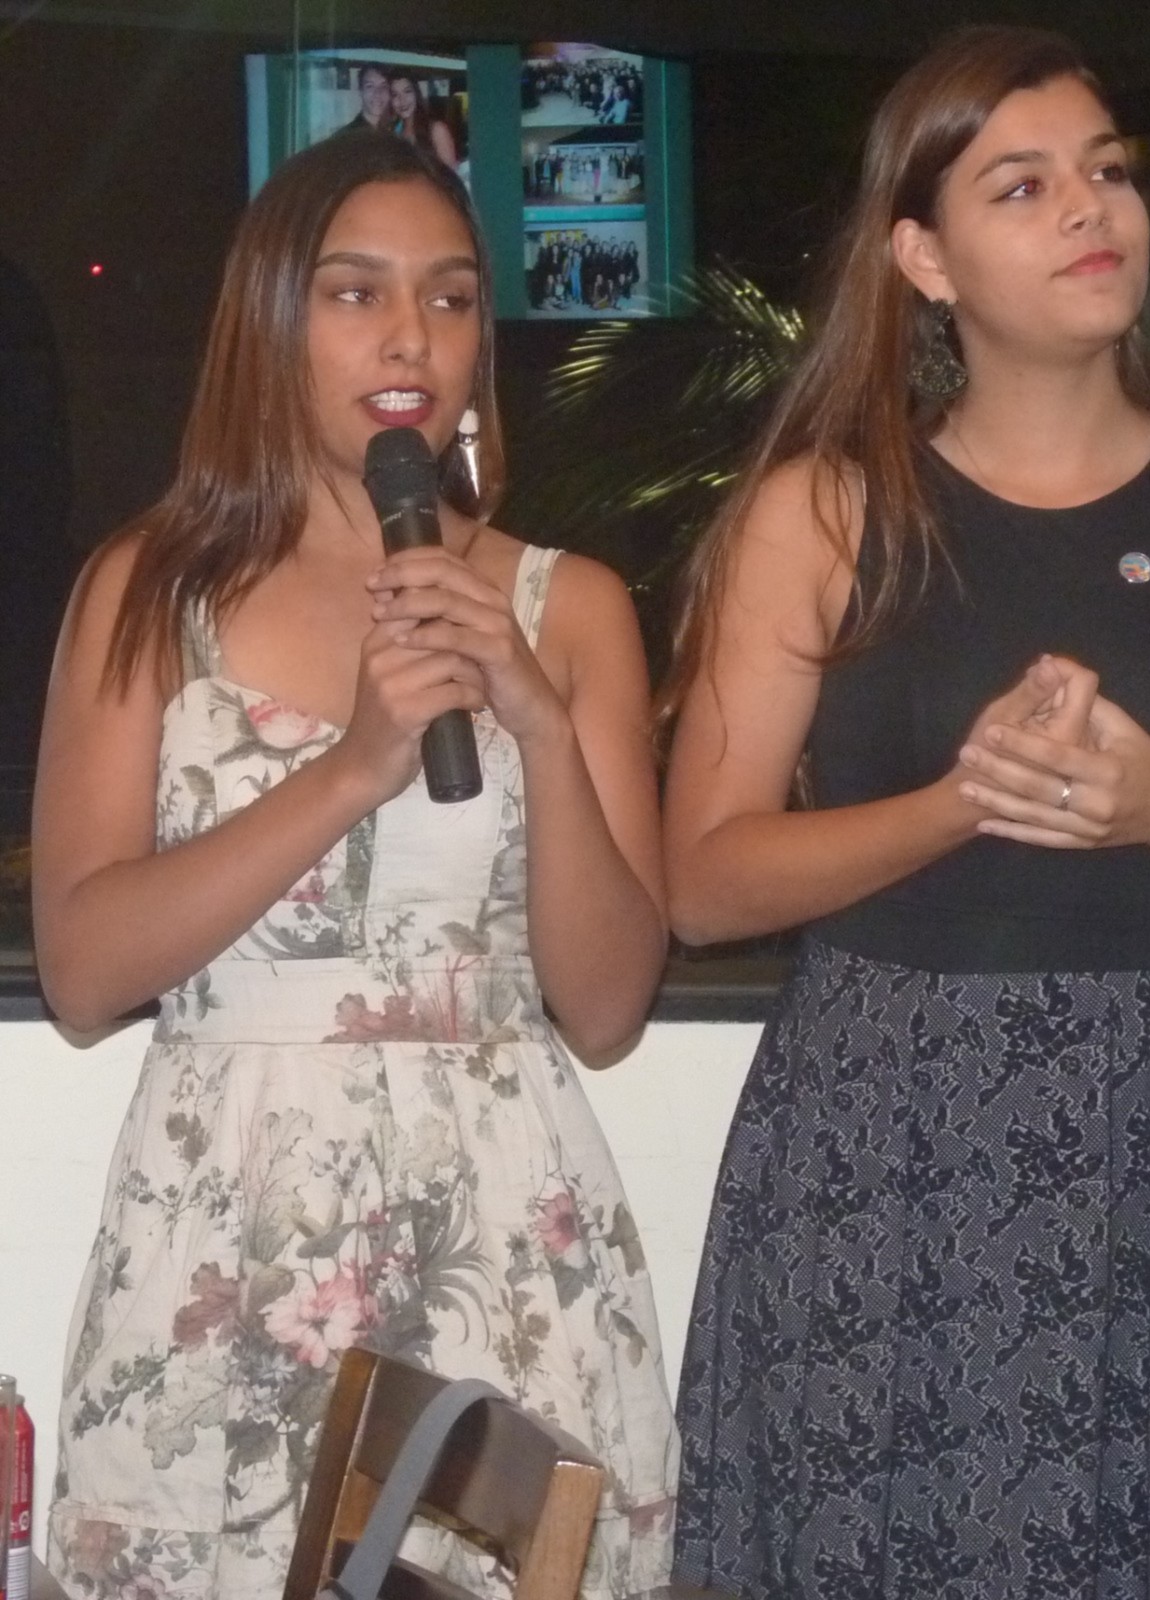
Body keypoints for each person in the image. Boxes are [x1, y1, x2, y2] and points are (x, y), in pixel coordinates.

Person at [662, 25, 1150, 1600]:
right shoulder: (819, 513)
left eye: (1106, 172)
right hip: (876, 1125)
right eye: (1021, 186)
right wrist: (959, 802)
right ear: (923, 260)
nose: (1089, 209)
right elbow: (703, 883)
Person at [35, 129, 678, 1600]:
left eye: (449, 298)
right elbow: (81, 969)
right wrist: (351, 771)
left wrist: (534, 716)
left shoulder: (567, 604)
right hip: (227, 1229)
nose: (410, 337)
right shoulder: (151, 589)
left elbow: (605, 1008)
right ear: (271, 322)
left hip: (502, 1225)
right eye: (356, 292)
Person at [388, 72, 458, 171]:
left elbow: (451, 175)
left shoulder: (437, 130)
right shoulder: (394, 133)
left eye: (407, 91)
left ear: (416, 94)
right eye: (395, 95)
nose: (402, 100)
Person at [346, 62, 391, 132]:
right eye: (370, 86)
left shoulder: (390, 133)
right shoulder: (346, 136)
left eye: (383, 86)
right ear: (361, 91)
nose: (377, 94)